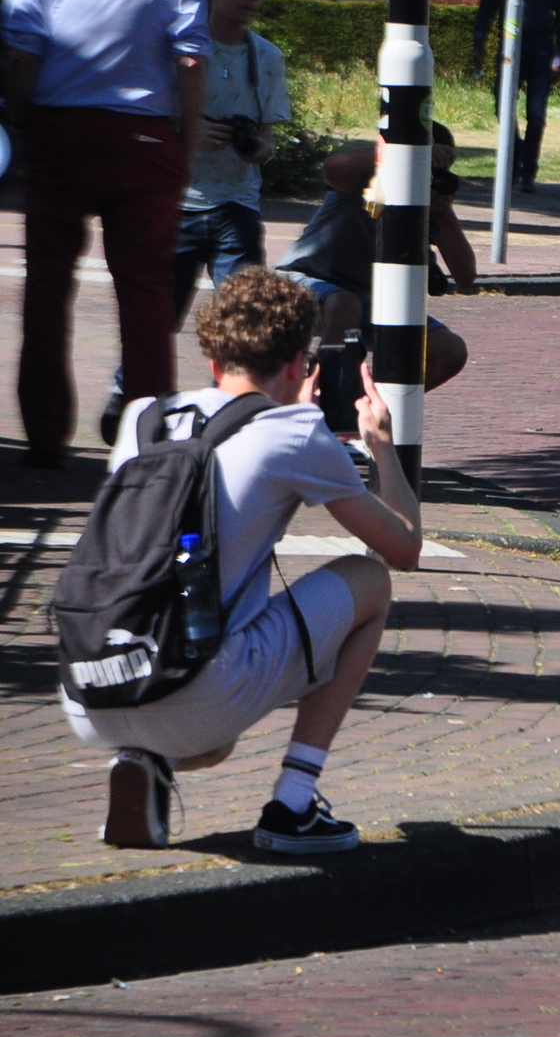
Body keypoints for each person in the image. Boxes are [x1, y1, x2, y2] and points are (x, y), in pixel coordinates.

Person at [68, 267, 423, 853]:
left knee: (216, 738)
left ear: (214, 359)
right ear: (295, 366)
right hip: (196, 691)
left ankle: (143, 761)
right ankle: (294, 805)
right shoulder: (296, 431)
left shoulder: (142, 418)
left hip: (92, 688)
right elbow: (405, 547)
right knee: (370, 581)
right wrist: (381, 446)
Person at [4, 0, 208, 466]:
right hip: (142, 136)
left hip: (60, 127)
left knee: (47, 285)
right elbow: (191, 60)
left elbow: (20, 46)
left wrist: (21, 119)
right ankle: (144, 441)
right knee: (145, 290)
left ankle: (45, 437)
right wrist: (186, 141)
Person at [275, 126, 473, 390]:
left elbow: (465, 275)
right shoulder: (366, 180)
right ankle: (328, 398)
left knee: (450, 349)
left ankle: (370, 407)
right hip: (303, 280)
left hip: (366, 300)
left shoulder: (427, 207)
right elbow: (335, 167)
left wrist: (445, 213)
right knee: (345, 305)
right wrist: (407, 150)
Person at [175, 0, 291, 323]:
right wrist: (191, 132)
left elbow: (268, 137)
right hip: (176, 204)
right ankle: (132, 385)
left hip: (237, 206)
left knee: (245, 322)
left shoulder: (268, 57)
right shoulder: (179, 50)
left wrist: (258, 149)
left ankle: (239, 384)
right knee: (156, 323)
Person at [469, 0, 560, 191]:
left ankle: (529, 172)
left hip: (541, 49)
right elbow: (486, 8)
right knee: (503, 106)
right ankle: (514, 160)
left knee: (535, 114)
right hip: (509, 48)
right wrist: (479, 42)